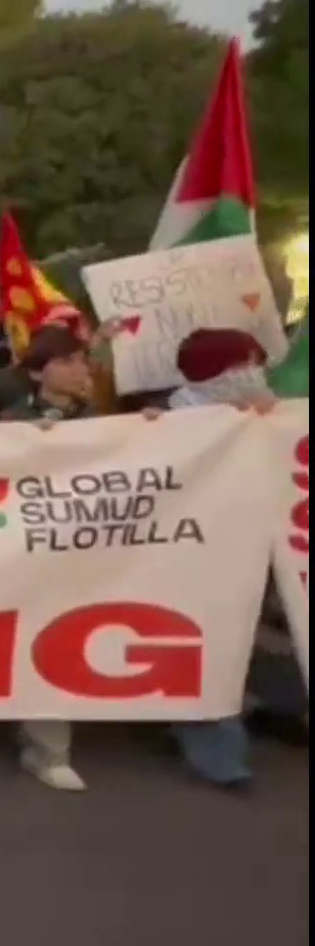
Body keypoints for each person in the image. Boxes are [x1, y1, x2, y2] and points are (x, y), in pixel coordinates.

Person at [163, 329, 302, 789]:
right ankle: (216, 752)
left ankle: (267, 707)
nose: (254, 373)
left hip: (263, 548)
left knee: (254, 638)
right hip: (202, 554)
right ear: (216, 372)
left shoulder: (268, 415)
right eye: (244, 364)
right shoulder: (174, 423)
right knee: (211, 645)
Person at [0, 325, 107, 791]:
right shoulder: (10, 422)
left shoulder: (107, 421)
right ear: (37, 372)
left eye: (81, 359)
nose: (78, 368)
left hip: (90, 549)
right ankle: (48, 750)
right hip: (30, 551)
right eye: (65, 361)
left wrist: (150, 428)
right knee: (41, 636)